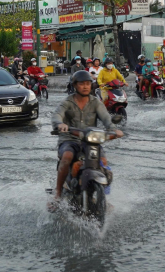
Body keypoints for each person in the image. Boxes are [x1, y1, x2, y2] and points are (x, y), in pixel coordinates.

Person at [51, 71, 124, 200]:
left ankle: (104, 199)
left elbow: (106, 118)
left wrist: (113, 129)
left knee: (103, 161)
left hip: (91, 140)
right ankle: (58, 193)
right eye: (81, 84)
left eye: (88, 84)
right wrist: (60, 124)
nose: (85, 87)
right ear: (74, 85)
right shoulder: (67, 102)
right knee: (67, 156)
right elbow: (57, 114)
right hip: (69, 138)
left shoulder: (96, 102)